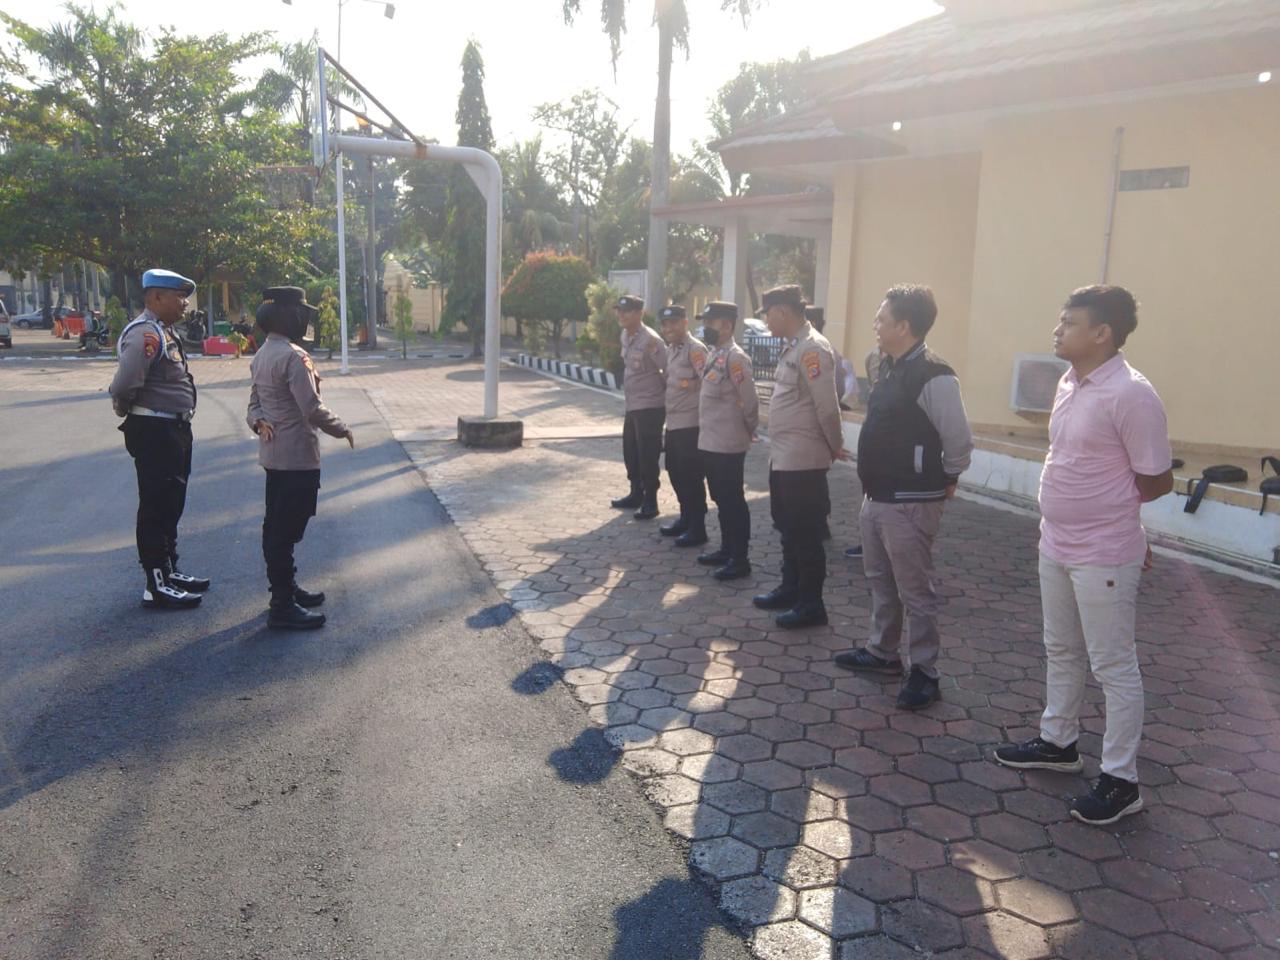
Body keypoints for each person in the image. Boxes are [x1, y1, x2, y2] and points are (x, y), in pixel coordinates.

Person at [995, 285, 1173, 826]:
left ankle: (1121, 780)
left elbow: (1157, 479)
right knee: (1061, 647)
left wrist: (1117, 521)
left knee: (1113, 664)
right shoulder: (1069, 381)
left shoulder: (1132, 394)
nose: (1057, 329)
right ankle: (1058, 742)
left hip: (1104, 552)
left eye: (1069, 322)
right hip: (1056, 542)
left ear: (1102, 333)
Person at [835, 285, 973, 710]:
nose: (875, 325)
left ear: (904, 326)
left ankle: (925, 672)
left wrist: (947, 478)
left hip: (911, 499)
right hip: (877, 495)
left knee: (915, 590)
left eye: (882, 319)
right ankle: (883, 652)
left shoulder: (935, 375)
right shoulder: (887, 366)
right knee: (881, 579)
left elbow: (958, 441)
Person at [247, 286, 355, 630]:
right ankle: (282, 605)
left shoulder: (261, 355)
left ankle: (287, 590)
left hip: (273, 458)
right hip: (297, 459)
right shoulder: (294, 357)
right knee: (284, 532)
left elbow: (253, 405)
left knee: (276, 528)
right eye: (301, 312)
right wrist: (342, 429)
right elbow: (312, 408)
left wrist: (258, 422)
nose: (305, 318)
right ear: (288, 316)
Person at [109, 268, 208, 609]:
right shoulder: (145, 334)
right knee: (156, 505)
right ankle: (156, 584)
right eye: (179, 296)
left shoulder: (163, 331)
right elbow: (124, 385)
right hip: (155, 431)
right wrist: (126, 409)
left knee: (171, 503)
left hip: (173, 429)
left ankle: (169, 569)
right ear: (156, 297)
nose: (185, 303)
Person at [752, 285, 844, 628]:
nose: (766, 322)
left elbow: (828, 408)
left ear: (782, 311)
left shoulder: (813, 348)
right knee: (788, 528)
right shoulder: (793, 347)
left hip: (803, 460)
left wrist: (834, 445)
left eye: (768, 315)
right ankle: (790, 588)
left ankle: (811, 604)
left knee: (805, 534)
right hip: (783, 458)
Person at [695, 301, 759, 580]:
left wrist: (747, 430)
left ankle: (740, 558)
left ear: (727, 325)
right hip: (710, 441)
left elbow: (750, 402)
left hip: (729, 443)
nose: (705, 327)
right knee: (720, 498)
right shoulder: (715, 353)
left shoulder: (736, 358)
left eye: (710, 323)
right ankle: (726, 549)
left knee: (733, 501)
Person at [609, 294, 667, 520]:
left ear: (639, 313)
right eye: (619, 310)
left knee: (647, 455)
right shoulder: (625, 335)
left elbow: (668, 369)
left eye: (626, 311)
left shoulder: (652, 340)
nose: (621, 315)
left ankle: (651, 500)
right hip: (633, 405)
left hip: (650, 407)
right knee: (631, 451)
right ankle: (636, 493)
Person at [657, 304, 711, 546]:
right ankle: (686, 517)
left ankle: (698, 527)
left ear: (685, 323)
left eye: (674, 322)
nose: (669, 328)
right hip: (674, 423)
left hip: (691, 425)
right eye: (665, 324)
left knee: (691, 476)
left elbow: (708, 384)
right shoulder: (671, 350)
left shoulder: (695, 350)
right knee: (675, 471)